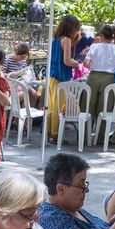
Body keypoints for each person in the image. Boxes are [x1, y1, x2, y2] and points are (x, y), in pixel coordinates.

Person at [83, 25, 115, 141]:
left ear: (101, 35)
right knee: (105, 107)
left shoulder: (94, 47)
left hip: (93, 76)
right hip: (108, 78)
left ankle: (86, 134)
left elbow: (86, 63)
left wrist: (95, 65)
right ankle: (100, 137)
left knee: (89, 105)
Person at [46, 15, 82, 143]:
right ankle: (55, 135)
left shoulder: (55, 39)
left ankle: (49, 132)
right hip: (61, 77)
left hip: (51, 76)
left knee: (51, 106)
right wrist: (77, 64)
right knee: (59, 107)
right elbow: (66, 61)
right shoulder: (66, 40)